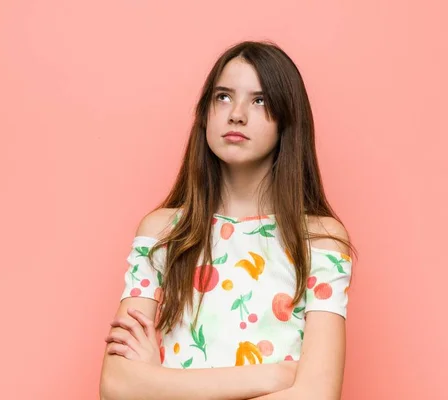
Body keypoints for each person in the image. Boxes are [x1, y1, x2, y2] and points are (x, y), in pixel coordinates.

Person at [99, 40, 356, 400]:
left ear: (287, 118)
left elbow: (316, 395)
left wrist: (158, 383)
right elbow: (117, 386)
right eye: (223, 97)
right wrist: (274, 376)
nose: (236, 114)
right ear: (204, 113)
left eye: (260, 100)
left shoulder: (321, 240)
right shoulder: (162, 233)